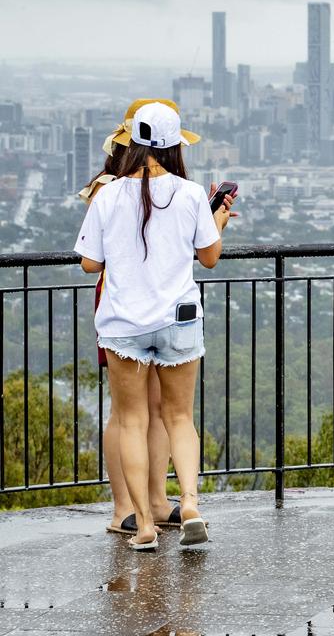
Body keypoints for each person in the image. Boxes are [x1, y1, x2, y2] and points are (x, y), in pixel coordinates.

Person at [75, 101, 233, 550]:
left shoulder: (108, 194)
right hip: (178, 320)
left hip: (125, 322)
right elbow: (209, 256)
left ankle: (142, 524)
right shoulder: (187, 193)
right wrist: (217, 218)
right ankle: (190, 504)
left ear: (134, 142)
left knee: (130, 420)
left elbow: (90, 263)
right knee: (180, 418)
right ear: (173, 145)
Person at [81, 100, 181, 536]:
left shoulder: (167, 187)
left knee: (158, 407)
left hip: (159, 303)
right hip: (123, 303)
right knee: (126, 411)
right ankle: (125, 504)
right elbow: (94, 258)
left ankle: (155, 500)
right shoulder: (110, 188)